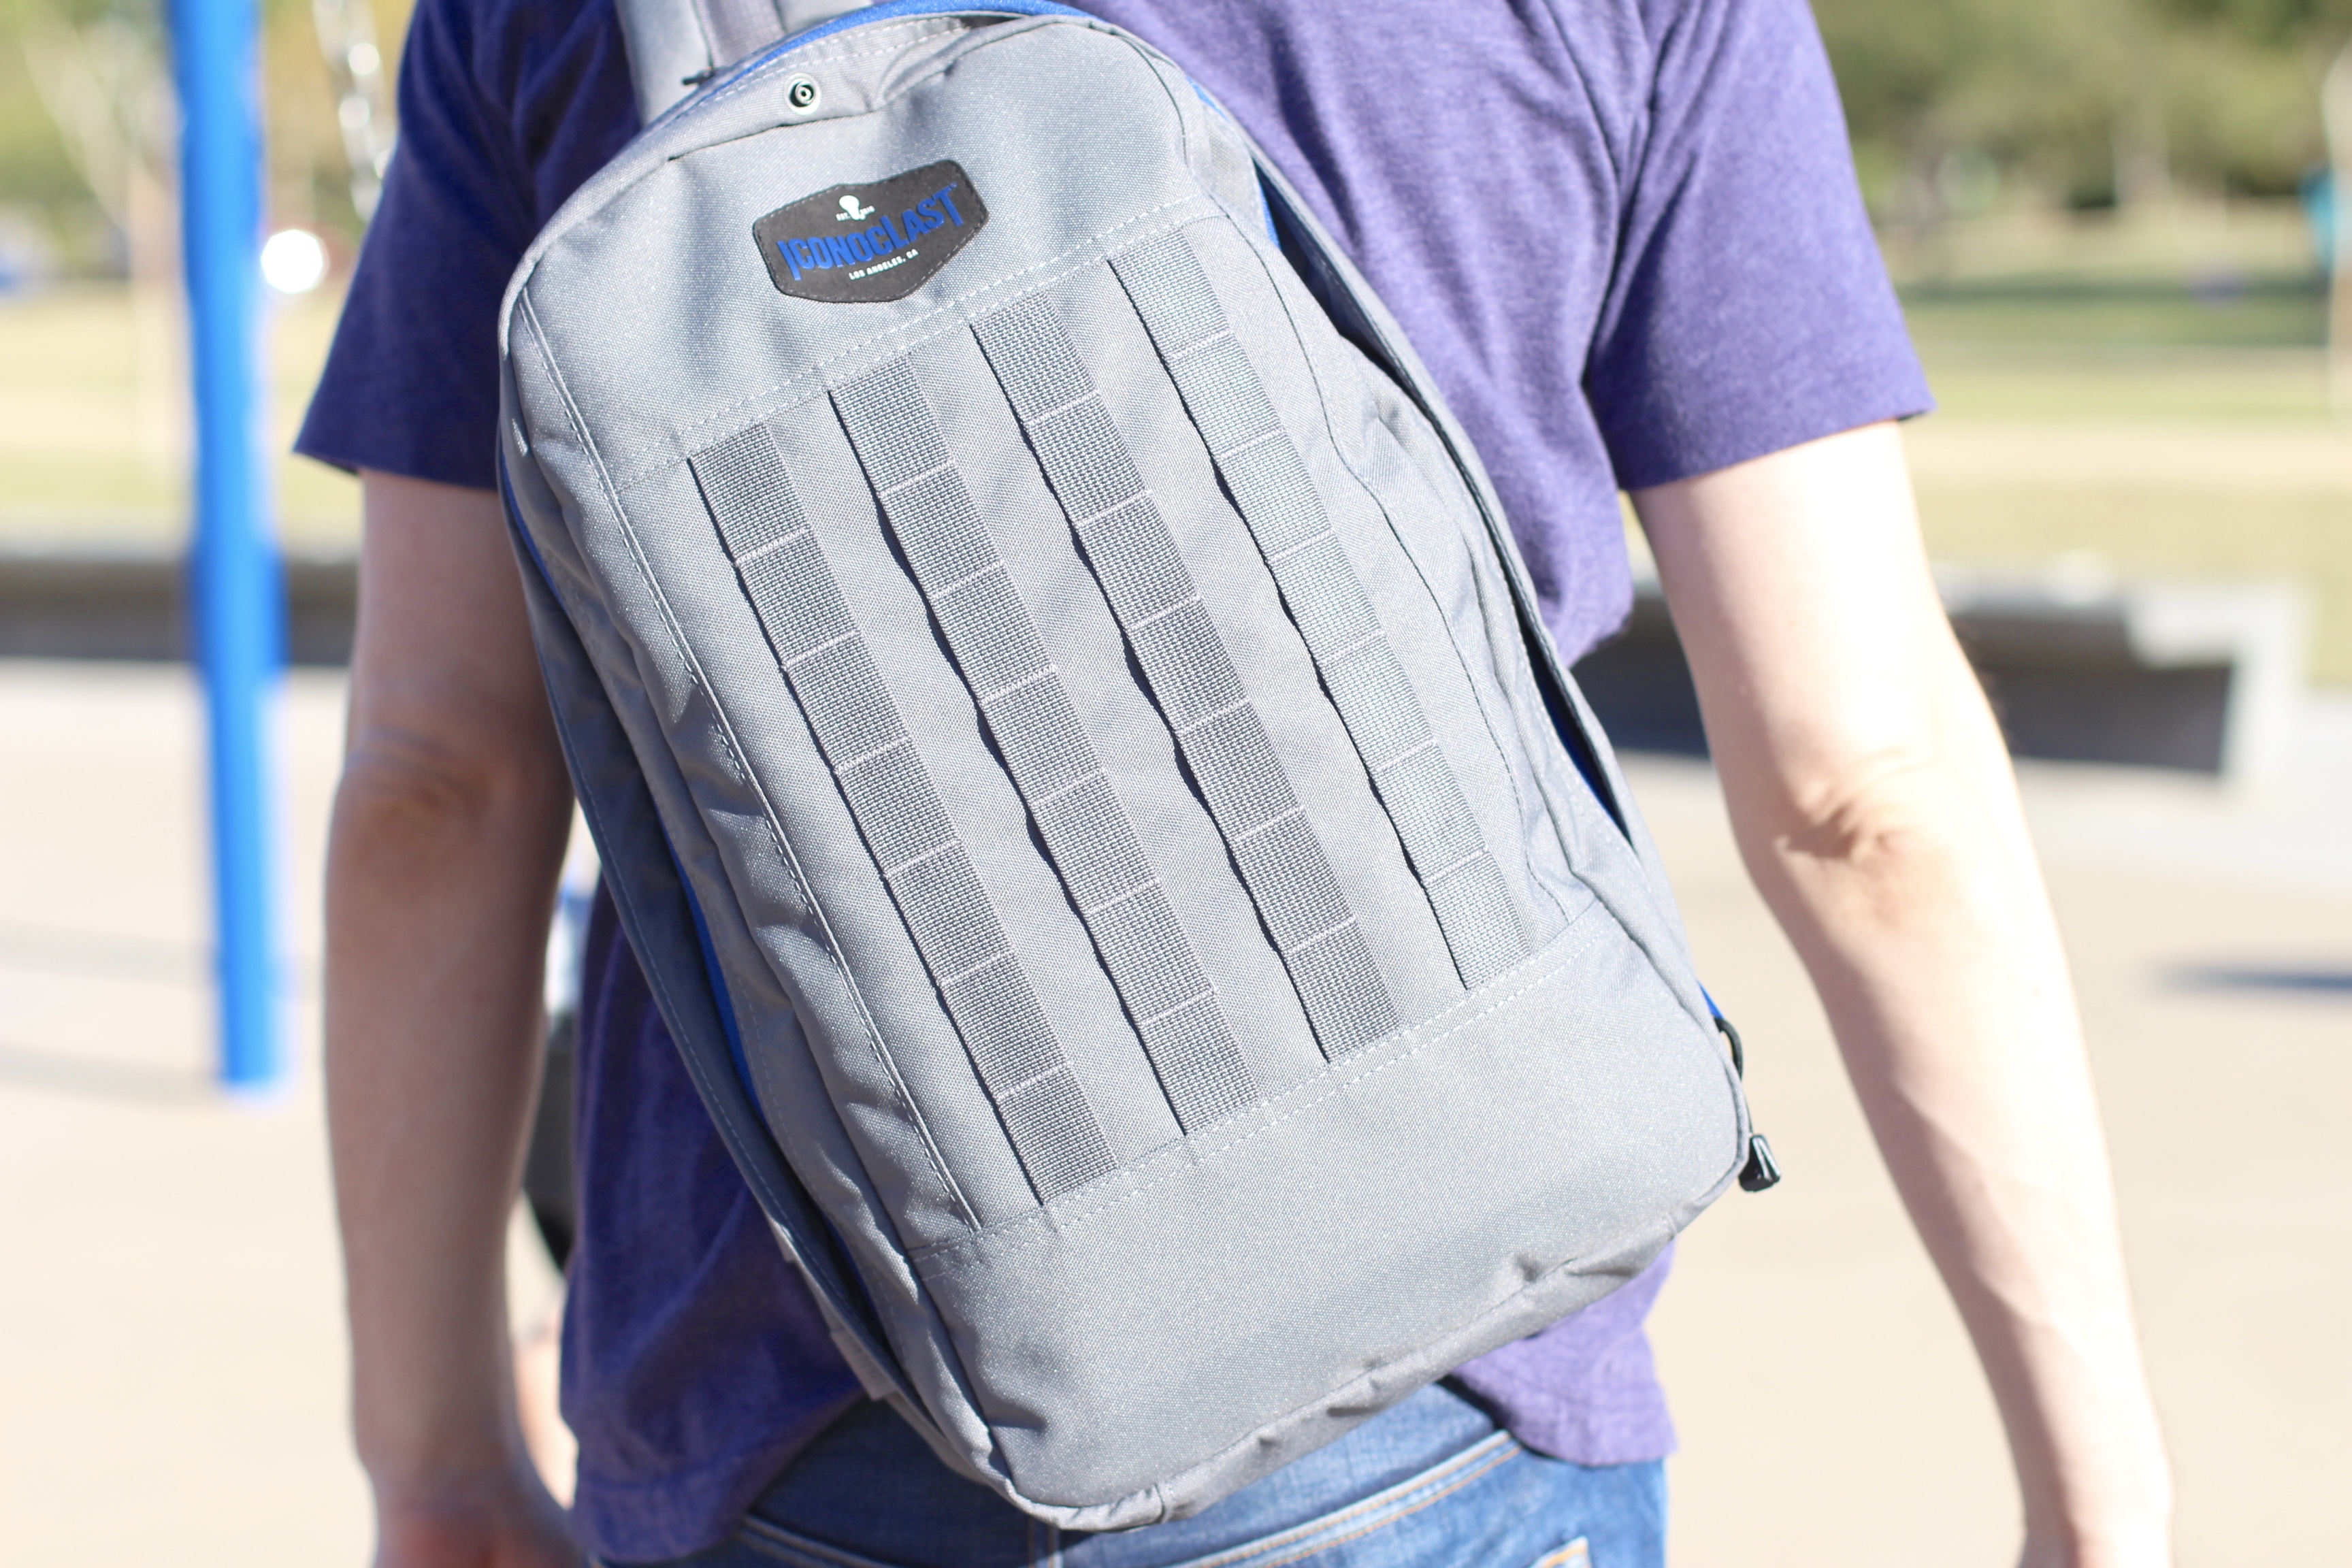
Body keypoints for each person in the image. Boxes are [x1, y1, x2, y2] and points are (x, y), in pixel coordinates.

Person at [304, 1, 2174, 1563]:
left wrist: (436, 1457)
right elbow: (1864, 791)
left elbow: (438, 783)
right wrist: (2096, 1489)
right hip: (1455, 1350)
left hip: (794, 1408)